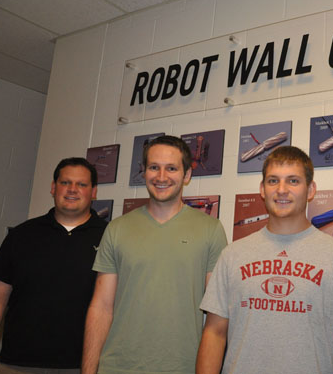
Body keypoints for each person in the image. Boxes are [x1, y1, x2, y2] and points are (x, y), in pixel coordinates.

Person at [197, 146, 333, 374]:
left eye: (293, 181)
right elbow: (214, 333)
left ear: (310, 190)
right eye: (273, 181)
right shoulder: (232, 255)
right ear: (262, 189)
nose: (282, 190)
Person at [83, 135, 227, 374]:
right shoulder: (117, 229)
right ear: (144, 172)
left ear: (187, 175)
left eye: (171, 168)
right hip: (117, 367)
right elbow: (101, 307)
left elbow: (217, 319)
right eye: (153, 167)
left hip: (182, 367)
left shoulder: (211, 230)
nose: (161, 177)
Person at [0, 158, 107, 374]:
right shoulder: (21, 235)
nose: (72, 190)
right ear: (53, 187)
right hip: (16, 365)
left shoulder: (110, 238)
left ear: (93, 192)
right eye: (65, 183)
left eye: (82, 184)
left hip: (84, 367)